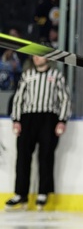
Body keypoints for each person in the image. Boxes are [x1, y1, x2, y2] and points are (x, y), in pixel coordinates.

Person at [4, 55, 70, 211]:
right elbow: (18, 98)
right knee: (23, 157)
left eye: (39, 55)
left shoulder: (56, 76)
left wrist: (62, 120)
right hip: (28, 118)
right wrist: (16, 120)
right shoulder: (27, 75)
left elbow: (65, 99)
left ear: (47, 58)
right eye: (34, 55)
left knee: (46, 155)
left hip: (48, 118)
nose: (36, 58)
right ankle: (20, 194)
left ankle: (43, 192)